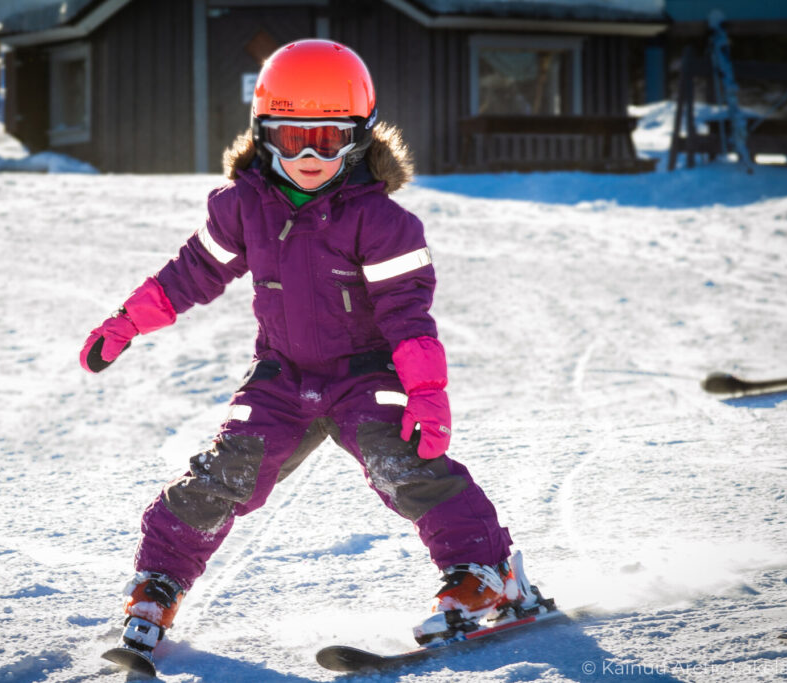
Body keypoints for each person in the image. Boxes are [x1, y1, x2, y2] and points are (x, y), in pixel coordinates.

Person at [81, 39, 529, 660]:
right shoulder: (244, 207)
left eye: (327, 137)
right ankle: (159, 583)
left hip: (364, 373)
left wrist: (425, 392)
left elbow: (408, 316)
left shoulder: (382, 221)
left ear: (360, 136)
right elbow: (191, 273)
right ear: (265, 135)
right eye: (293, 140)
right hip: (282, 376)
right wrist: (126, 323)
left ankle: (486, 575)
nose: (311, 156)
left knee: (401, 462)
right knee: (225, 471)